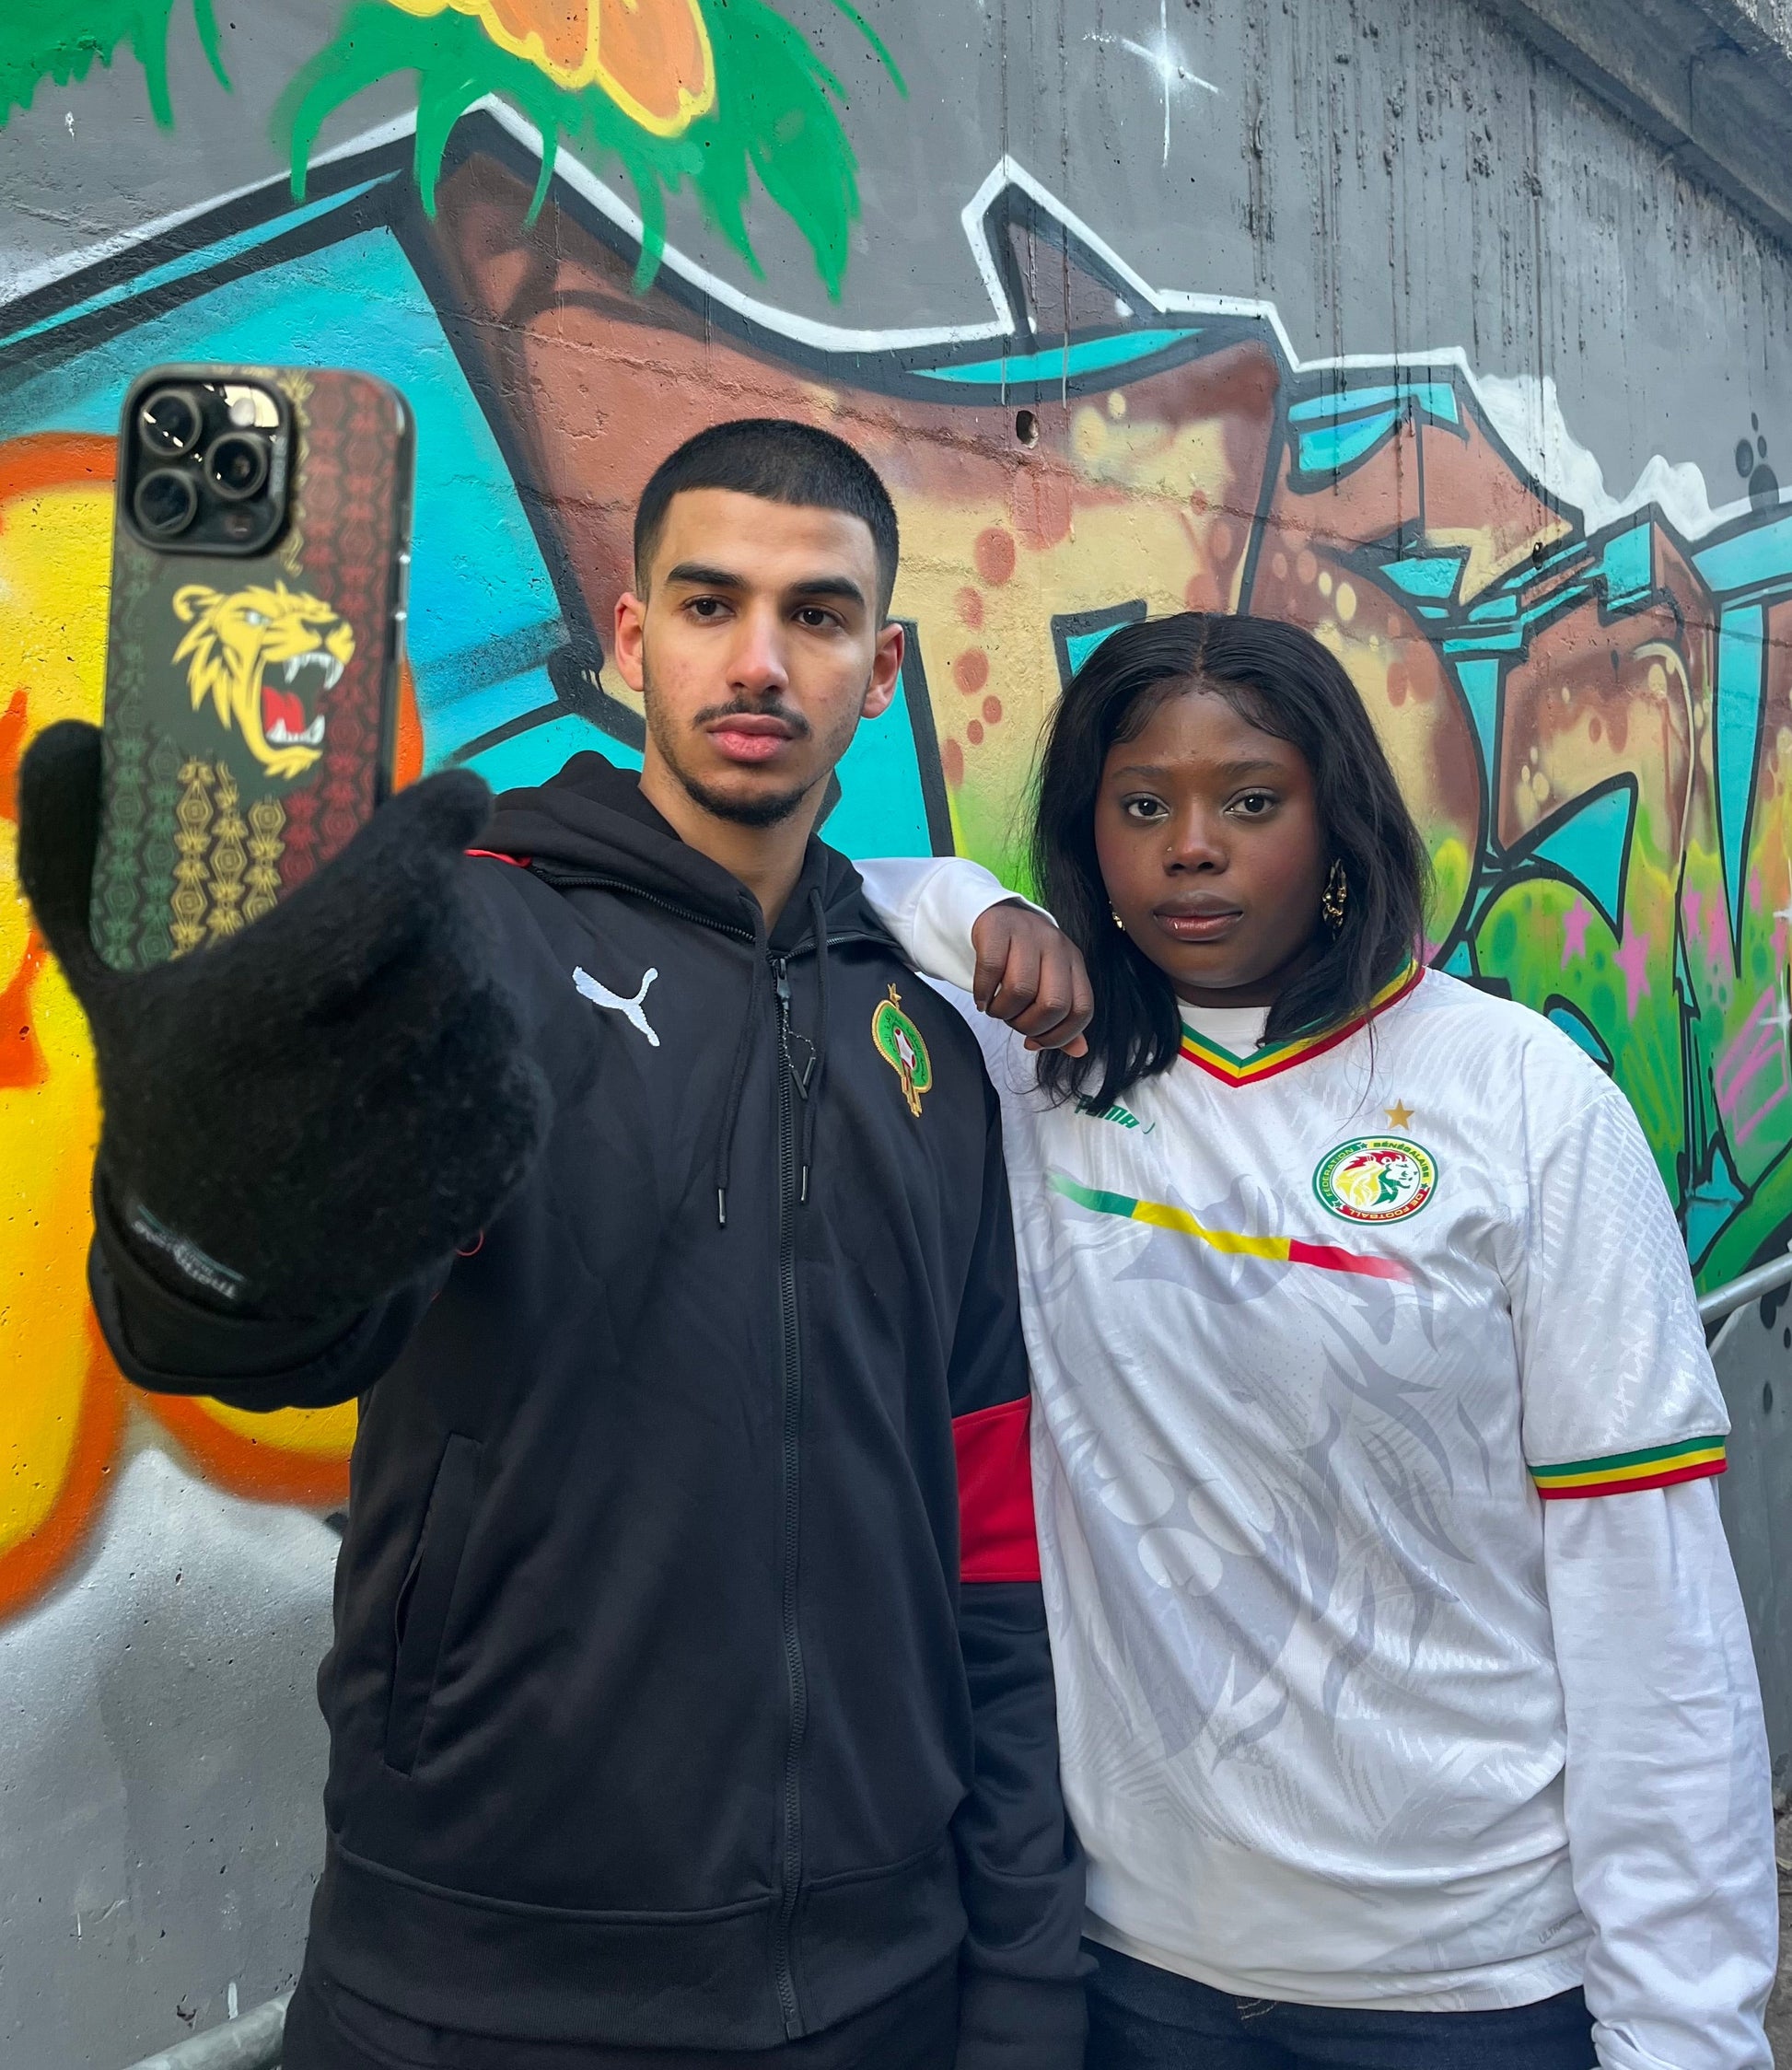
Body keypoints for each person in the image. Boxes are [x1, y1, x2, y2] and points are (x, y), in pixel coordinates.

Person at [18, 419, 1087, 2070]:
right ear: (630, 638)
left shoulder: (930, 1046)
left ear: (881, 671)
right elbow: (254, 1331)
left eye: (814, 616)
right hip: (470, 1986)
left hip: (887, 1980)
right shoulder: (469, 950)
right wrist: (199, 1208)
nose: (757, 660)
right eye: (709, 603)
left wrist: (1019, 1971)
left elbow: (993, 1546)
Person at [858, 611, 1779, 2069]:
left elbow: (1648, 1600)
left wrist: (1683, 2031)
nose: (1191, 849)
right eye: (1140, 806)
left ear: (1336, 818)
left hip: (1472, 1987)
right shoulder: (1040, 1073)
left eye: (1249, 801)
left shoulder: (1520, 1100)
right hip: (1139, 1973)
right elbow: (838, 886)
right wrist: (977, 911)